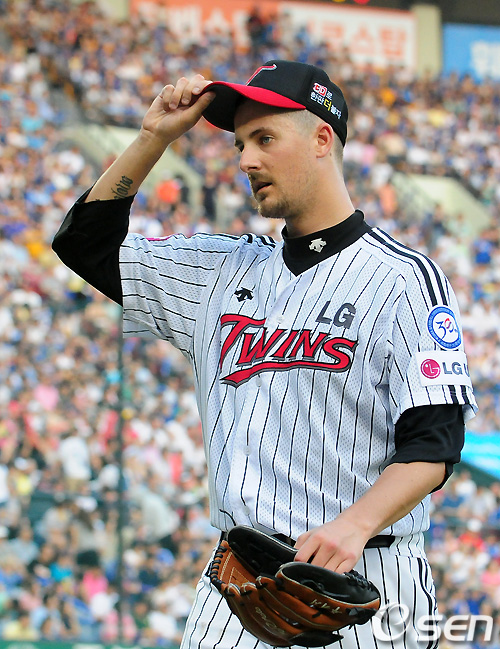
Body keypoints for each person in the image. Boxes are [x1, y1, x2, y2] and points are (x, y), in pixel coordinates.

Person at [52, 60, 477, 649]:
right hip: (239, 580)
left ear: (322, 139)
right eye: (240, 144)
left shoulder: (402, 279)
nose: (246, 160)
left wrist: (354, 525)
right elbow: (85, 245)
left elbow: (435, 443)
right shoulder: (219, 270)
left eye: (264, 139)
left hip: (371, 577)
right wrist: (153, 139)